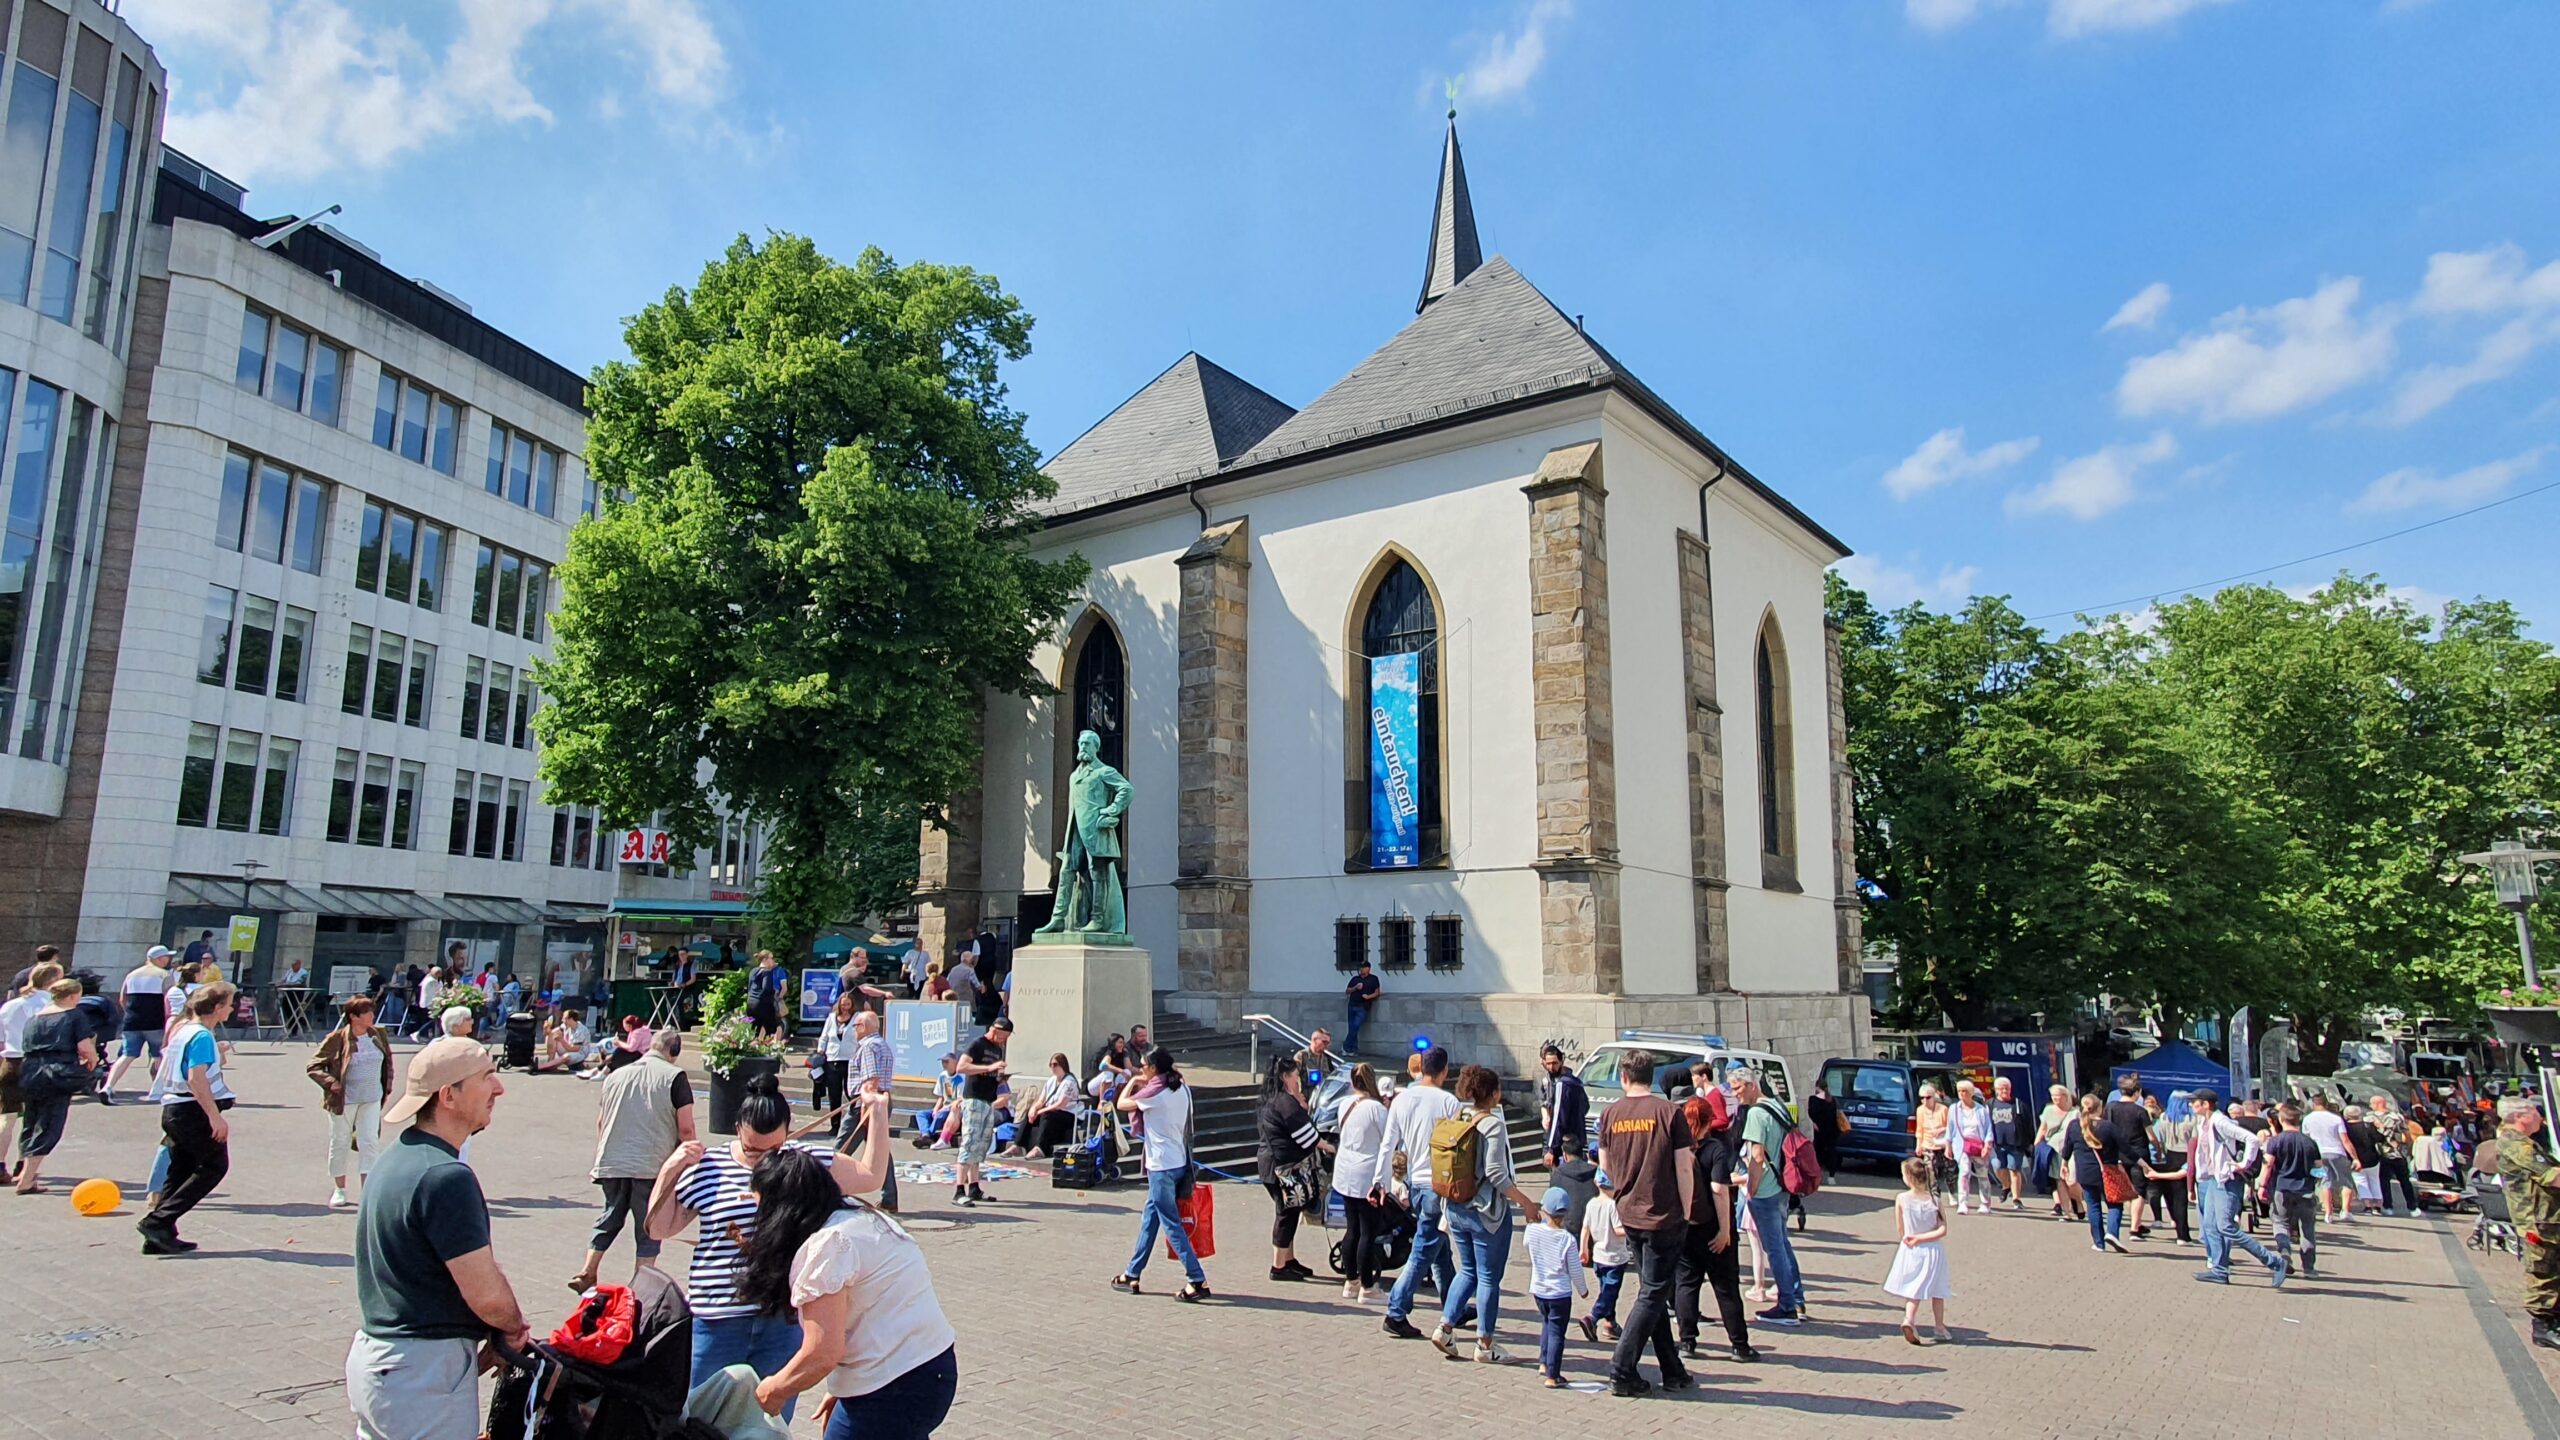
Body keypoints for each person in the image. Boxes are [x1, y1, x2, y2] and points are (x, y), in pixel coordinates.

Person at [646, 1073, 891, 1405]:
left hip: (780, 1318)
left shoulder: (803, 1162)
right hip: (717, 1318)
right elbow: (659, 1229)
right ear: (737, 1129)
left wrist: (877, 1112)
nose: (763, 1161)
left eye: (773, 1150)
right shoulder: (709, 1166)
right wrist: (669, 1170)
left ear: (788, 1134)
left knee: (769, 1419)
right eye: (752, 1151)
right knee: (699, 1415)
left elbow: (871, 1176)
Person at [346, 1035, 528, 1440]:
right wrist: (513, 1327)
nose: (499, 1088)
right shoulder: (446, 1177)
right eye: (487, 1077)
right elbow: (486, 1293)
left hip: (380, 1359)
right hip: (420, 1370)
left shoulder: (397, 1157)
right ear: (448, 1095)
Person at [737, 1147, 960, 1435]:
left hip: (894, 1384)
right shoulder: (862, 1216)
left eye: (761, 1208)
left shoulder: (828, 1245)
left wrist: (772, 1391)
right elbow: (877, 1308)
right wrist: (847, 1387)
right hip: (932, 1369)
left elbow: (822, 1352)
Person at [1592, 1048, 1695, 1396]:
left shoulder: (1609, 1114)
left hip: (1629, 1212)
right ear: (1651, 1077)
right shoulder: (1669, 1113)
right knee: (1653, 1292)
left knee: (1653, 1289)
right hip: (1664, 1214)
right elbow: (1684, 1167)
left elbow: (1603, 1169)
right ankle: (1622, 1370)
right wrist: (1687, 1208)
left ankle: (1673, 1369)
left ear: (1623, 1077)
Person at [1432, 1064, 1541, 1365]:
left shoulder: (1458, 1117)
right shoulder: (1492, 1124)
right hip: (1485, 1213)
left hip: (1455, 1207)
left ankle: (1445, 1327)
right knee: (1489, 1278)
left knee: (1467, 1270)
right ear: (1493, 1093)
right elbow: (1496, 1173)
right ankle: (1485, 1343)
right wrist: (1526, 1202)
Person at [574, 1031, 696, 1293]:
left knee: (609, 1216)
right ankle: (640, 1284)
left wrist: (605, 1154)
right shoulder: (675, 1077)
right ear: (674, 1051)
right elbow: (685, 1130)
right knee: (649, 1227)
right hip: (651, 1166)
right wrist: (690, 1161)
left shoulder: (616, 1075)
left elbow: (601, 1121)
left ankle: (588, 1269)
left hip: (612, 1161)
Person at [137, 982, 237, 1249]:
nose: (232, 1009)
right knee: (214, 1166)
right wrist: (214, 1116)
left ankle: (162, 1234)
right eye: (229, 1004)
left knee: (180, 1169)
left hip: (174, 1108)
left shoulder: (183, 1030)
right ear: (216, 1008)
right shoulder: (202, 1035)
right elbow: (196, 1078)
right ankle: (158, 1221)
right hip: (191, 1109)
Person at [1112, 1046, 1208, 1301]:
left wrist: (1132, 1080)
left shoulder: (1156, 1092)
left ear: (1154, 1069)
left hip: (1161, 1166)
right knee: (1150, 1218)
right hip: (1178, 1161)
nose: (1140, 1069)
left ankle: (1196, 1279)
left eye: (1143, 1066)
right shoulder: (1182, 1088)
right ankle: (1132, 1272)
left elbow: (1121, 1103)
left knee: (1171, 1223)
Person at [1380, 1045, 1461, 1339]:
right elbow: (1456, 1149)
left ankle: (1455, 1304)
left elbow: (1389, 1143)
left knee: (1439, 1247)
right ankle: (1396, 1309)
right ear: (1444, 1071)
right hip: (1437, 1183)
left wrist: (1382, 1181)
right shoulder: (1449, 1102)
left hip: (1415, 1180)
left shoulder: (1403, 1099)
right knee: (1424, 1247)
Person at [1674, 1082, 1756, 1364]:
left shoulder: (1679, 1150)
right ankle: (1739, 1345)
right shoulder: (1715, 1150)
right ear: (1709, 1122)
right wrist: (1724, 1230)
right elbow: (1720, 1189)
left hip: (1686, 1226)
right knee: (1726, 1287)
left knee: (1686, 1284)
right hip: (1713, 1226)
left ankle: (1686, 1342)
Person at [2187, 1088, 2287, 1287]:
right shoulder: (2203, 1122)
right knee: (2209, 1226)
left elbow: (2251, 1139)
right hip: (2214, 1179)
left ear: (2206, 1104)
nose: (2191, 1105)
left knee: (2225, 1226)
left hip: (2228, 1179)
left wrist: (2244, 1164)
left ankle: (2274, 1262)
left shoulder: (2220, 1121)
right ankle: (2219, 1270)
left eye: (2195, 1102)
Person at [1735, 1068, 1809, 1327]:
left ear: (1752, 1086)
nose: (1736, 1094)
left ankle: (1787, 1306)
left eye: (1738, 1088)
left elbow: (1756, 1157)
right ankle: (1796, 1299)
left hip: (1765, 1189)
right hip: (1781, 1186)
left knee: (1774, 1248)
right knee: (1783, 1244)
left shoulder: (1756, 1113)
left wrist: (1751, 1189)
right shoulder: (1777, 1107)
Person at [309, 996, 396, 1209]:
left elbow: (388, 1063)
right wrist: (332, 1084)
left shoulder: (378, 1035)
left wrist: (387, 1086)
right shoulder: (337, 1038)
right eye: (366, 1012)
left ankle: (368, 1190)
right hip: (344, 1100)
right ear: (354, 1017)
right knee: (340, 1141)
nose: (372, 1016)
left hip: (372, 1097)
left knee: (369, 1142)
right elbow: (314, 1066)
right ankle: (340, 1188)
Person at [13, 974, 97, 1195]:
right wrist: (92, 1062)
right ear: (71, 996)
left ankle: (24, 1172)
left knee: (30, 1121)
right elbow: (86, 1048)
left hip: (30, 1070)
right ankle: (27, 1178)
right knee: (49, 1124)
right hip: (57, 1071)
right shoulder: (74, 1016)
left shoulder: (35, 1017)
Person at [2495, 1098, 2560, 1349]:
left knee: (2553, 1270)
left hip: (2548, 1217)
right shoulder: (2516, 1144)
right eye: (2535, 1112)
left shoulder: (2526, 1142)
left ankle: (2552, 1319)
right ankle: (2543, 1326)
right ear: (2519, 1116)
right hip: (2538, 1220)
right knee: (2543, 1272)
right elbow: (2551, 1176)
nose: (2539, 1117)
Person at [1254, 1053, 1323, 1283]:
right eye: (1295, 1076)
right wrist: (1330, 1147)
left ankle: (1288, 1259)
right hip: (1281, 1168)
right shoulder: (1284, 1102)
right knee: (1286, 1213)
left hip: (1273, 1165)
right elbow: (1308, 1137)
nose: (1298, 1080)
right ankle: (1278, 1266)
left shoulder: (1271, 1098)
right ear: (1285, 1077)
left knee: (1290, 1210)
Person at [0, 960, 66, 1182]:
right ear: (53, 981)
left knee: (7, 1118)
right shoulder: (52, 1006)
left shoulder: (10, 1005)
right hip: (37, 1064)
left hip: (10, 1061)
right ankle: (23, 1166)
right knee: (33, 1118)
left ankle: (0, 1167)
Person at [1332, 1062, 1392, 1301]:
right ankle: (1368, 1285)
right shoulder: (1376, 1109)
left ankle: (1351, 1280)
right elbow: (1388, 1140)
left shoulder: (1344, 1104)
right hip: (1368, 1173)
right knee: (1369, 1231)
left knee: (1352, 1229)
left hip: (1345, 1169)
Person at [1885, 1155, 1953, 1345]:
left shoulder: (1901, 1198)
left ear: (1909, 1178)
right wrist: (1923, 1237)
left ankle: (1909, 1319)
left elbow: (1900, 1227)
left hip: (1910, 1248)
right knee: (1937, 1289)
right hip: (1932, 1249)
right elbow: (1943, 1229)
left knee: (1913, 1288)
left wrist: (1910, 1237)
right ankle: (1939, 1326)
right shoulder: (1934, 1199)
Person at [839, 1009, 901, 1213]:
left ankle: (828, 1191)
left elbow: (871, 1080)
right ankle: (889, 1198)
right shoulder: (883, 1045)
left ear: (864, 1027)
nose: (854, 1029)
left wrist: (866, 1110)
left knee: (840, 1149)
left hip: (865, 1104)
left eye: (856, 1025)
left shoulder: (867, 1047)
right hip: (882, 1101)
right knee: (880, 1151)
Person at [1527, 1185, 1589, 1389]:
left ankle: (1544, 1362)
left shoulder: (1534, 1232)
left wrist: (1533, 1221)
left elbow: (1527, 1242)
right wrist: (1582, 1289)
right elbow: (1575, 1270)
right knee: (1556, 1332)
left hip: (1539, 1290)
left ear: (1544, 1210)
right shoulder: (1567, 1239)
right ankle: (1553, 1375)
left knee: (1546, 1324)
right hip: (1560, 1293)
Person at [953, 1017, 1012, 1208]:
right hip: (974, 1100)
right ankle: (959, 1190)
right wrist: (988, 1067)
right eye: (1004, 1036)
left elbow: (991, 1074)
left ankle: (975, 1187)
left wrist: (1000, 1077)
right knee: (969, 1143)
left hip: (988, 1100)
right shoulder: (978, 1044)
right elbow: (961, 1067)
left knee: (980, 1146)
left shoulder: (997, 1049)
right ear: (996, 1031)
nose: (1005, 1040)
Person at [103, 945, 174, 1098]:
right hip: (156, 1021)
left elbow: (122, 999)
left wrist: (130, 1013)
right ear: (159, 958)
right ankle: (157, 1089)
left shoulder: (132, 975)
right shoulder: (164, 975)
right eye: (167, 956)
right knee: (159, 1056)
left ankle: (108, 1086)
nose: (169, 959)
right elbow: (169, 1000)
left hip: (132, 1021)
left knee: (127, 1055)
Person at [2261, 1101, 2323, 1278]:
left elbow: (2269, 1165)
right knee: (2307, 1228)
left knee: (2280, 1222)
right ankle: (2309, 1268)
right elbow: (2319, 1168)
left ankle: (2285, 1253)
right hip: (2306, 1190)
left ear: (2281, 1120)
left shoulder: (2276, 1141)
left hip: (2282, 1188)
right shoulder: (2310, 1142)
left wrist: (2262, 1186)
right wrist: (2315, 1182)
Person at [2061, 1093, 2125, 1253]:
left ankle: (2099, 1242)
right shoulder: (2108, 1126)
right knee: (2114, 1203)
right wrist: (2142, 1164)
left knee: (2093, 1206)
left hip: (2085, 1172)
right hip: (2107, 1171)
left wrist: (2064, 1164)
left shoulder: (2074, 1125)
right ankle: (2112, 1233)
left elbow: (2067, 1147)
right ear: (2100, 1107)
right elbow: (2125, 1147)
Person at [1579, 1170, 1631, 1343]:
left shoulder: (1592, 1203)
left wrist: (1583, 1248)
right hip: (1614, 1257)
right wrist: (1632, 1230)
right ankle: (1592, 1318)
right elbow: (1618, 1230)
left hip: (1598, 1256)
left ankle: (1610, 1323)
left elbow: (1585, 1228)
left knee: (1605, 1290)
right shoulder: (1612, 1205)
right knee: (1610, 1293)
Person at [2139, 1092, 2194, 1244]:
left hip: (2170, 1156)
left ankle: (2181, 1233)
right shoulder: (2193, 1119)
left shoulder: (2164, 1118)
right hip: (2190, 1154)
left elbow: (2158, 1140)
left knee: (2177, 1196)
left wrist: (2159, 1153)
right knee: (2195, 1193)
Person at [1010, 1052, 1083, 1160]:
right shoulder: (1051, 1081)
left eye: (1055, 1064)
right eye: (1051, 1065)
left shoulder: (1069, 1082)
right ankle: (1018, 1145)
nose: (1052, 1067)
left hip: (1069, 1114)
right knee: (1029, 1113)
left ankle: (1041, 1148)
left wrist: (1040, 1111)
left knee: (1046, 1115)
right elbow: (1041, 1100)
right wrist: (1034, 1109)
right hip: (1053, 1111)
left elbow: (1060, 1104)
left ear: (1062, 1064)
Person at [2301, 1092, 2359, 1224]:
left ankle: (2328, 1213)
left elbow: (2306, 1139)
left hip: (2319, 1153)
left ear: (2313, 1104)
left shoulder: (2307, 1119)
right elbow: (2345, 1140)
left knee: (2325, 1183)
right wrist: (2355, 1157)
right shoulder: (2335, 1119)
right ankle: (2345, 1211)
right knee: (2347, 1182)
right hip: (2337, 1152)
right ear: (2326, 1103)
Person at [2037, 1083, 2086, 1223]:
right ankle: (2067, 1212)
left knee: (2071, 1181)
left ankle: (2078, 1201)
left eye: (2057, 1097)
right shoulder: (2048, 1110)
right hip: (2052, 1148)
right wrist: (2037, 1145)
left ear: (2065, 1097)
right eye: (2052, 1097)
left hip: (2071, 1149)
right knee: (2059, 1180)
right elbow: (2043, 1128)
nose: (2054, 1099)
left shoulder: (2075, 1113)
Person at [1947, 1081, 1997, 1216]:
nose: (1962, 1094)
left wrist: (1987, 1145)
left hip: (1979, 1145)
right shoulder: (1953, 1109)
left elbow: (1988, 1129)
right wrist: (1948, 1146)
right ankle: (1963, 1203)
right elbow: (1950, 1129)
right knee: (1964, 1172)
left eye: (1965, 1091)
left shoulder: (1981, 1110)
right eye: (1959, 1091)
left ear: (1971, 1093)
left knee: (1982, 1175)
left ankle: (1985, 1203)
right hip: (1962, 1145)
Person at [812, 992, 859, 1134]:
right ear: (839, 1004)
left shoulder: (857, 1018)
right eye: (843, 1005)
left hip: (850, 1060)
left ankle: (855, 1122)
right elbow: (824, 1037)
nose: (845, 1008)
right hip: (832, 1060)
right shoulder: (832, 1018)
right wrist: (820, 1050)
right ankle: (835, 1125)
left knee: (851, 1093)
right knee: (834, 1094)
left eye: (848, 1005)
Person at [1539, 1042, 1588, 1170]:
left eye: (1554, 1063)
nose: (1551, 1067)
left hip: (1564, 1142)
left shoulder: (1564, 1084)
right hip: (1570, 1140)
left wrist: (1550, 1148)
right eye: (1548, 1063)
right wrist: (1545, 1115)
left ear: (1561, 1062)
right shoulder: (1550, 1081)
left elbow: (1558, 1119)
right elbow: (1545, 1103)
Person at [2369, 1093, 2419, 1216]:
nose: (2371, 1106)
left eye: (2371, 1104)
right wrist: (2407, 1149)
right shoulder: (2397, 1117)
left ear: (2377, 1104)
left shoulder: (2369, 1118)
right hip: (2398, 1153)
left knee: (2384, 1181)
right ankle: (2412, 1207)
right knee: (2404, 1180)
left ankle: (2387, 1206)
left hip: (2380, 1153)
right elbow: (2407, 1135)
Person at [1987, 1076, 2030, 1209]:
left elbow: (2027, 1123)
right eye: (2001, 1089)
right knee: (1998, 1167)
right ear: (1996, 1090)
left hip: (2015, 1143)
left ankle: (2016, 1199)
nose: (2005, 1091)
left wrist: (2029, 1142)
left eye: (2007, 1088)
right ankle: (2006, 1186)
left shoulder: (2018, 1104)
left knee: (2014, 1169)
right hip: (1998, 1143)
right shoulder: (1990, 1104)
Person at [2344, 1103, 2386, 1216]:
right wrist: (2380, 1128)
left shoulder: (2344, 1128)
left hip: (2355, 1158)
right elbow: (2380, 1138)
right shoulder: (2368, 1126)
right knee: (2375, 1181)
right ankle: (2377, 1206)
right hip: (2372, 1157)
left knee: (2360, 1181)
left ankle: (2368, 1206)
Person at [1913, 1085, 1951, 1202]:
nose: (1925, 1100)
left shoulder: (1943, 1109)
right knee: (1930, 1169)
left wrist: (1941, 1130)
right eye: (1922, 1098)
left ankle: (1952, 1192)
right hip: (1928, 1143)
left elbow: (1950, 1127)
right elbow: (1919, 1129)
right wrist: (1918, 1145)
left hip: (1943, 1143)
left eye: (1928, 1097)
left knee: (1948, 1170)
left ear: (1933, 1097)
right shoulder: (1920, 1110)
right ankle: (1934, 1194)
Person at [745, 951, 789, 1040]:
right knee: (776, 1024)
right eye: (771, 958)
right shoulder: (767, 973)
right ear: (765, 959)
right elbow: (766, 989)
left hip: (751, 1002)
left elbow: (749, 987)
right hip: (762, 1003)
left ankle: (755, 1044)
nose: (773, 960)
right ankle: (774, 1047)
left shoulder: (753, 971)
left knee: (756, 1026)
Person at [1343, 958, 1380, 1055]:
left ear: (1368, 969)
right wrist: (1355, 988)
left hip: (1363, 1007)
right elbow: (1347, 991)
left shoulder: (1373, 979)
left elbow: (1377, 992)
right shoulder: (1355, 979)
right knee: (1351, 1027)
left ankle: (1346, 1047)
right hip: (1352, 1005)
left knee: (1355, 1026)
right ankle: (1353, 1049)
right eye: (1360, 968)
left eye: (1363, 968)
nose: (1361, 970)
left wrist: (1368, 997)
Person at [943, 950, 981, 1019]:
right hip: (966, 1002)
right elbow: (977, 986)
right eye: (972, 959)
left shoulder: (953, 969)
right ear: (968, 960)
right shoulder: (969, 970)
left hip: (952, 1001)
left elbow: (947, 981)